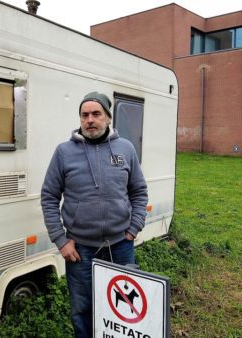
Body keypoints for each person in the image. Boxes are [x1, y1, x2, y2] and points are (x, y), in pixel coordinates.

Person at [41, 91, 148, 337]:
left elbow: (139, 192)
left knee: (124, 309)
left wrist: (134, 228)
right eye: (85, 115)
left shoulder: (126, 149)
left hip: (121, 245)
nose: (90, 119)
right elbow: (48, 197)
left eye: (96, 114)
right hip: (80, 250)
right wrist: (61, 240)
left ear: (108, 118)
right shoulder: (64, 152)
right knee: (83, 309)